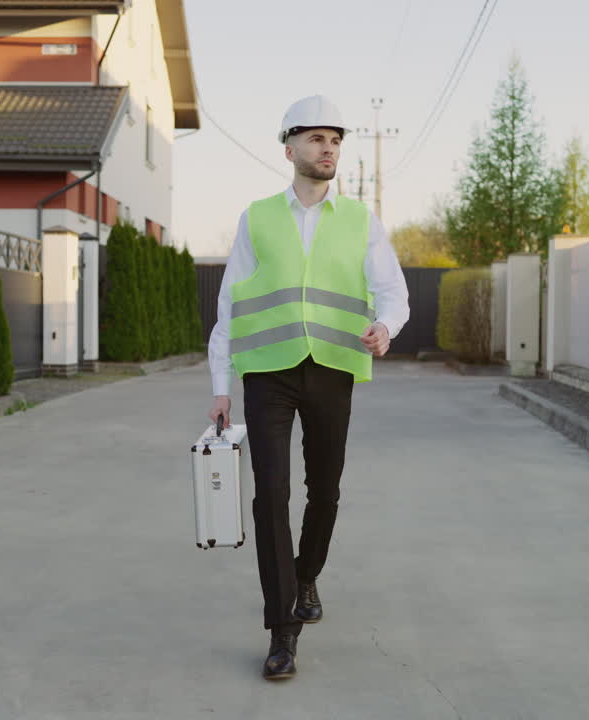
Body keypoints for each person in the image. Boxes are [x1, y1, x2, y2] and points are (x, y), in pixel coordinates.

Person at [206, 95, 410, 681]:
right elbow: (230, 306)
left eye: (336, 139)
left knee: (325, 490)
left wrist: (385, 327)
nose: (328, 148)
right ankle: (282, 628)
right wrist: (221, 385)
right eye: (316, 138)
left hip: (332, 369)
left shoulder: (361, 221)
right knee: (270, 493)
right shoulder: (257, 217)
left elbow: (393, 292)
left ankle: (307, 574)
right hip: (268, 372)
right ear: (289, 148)